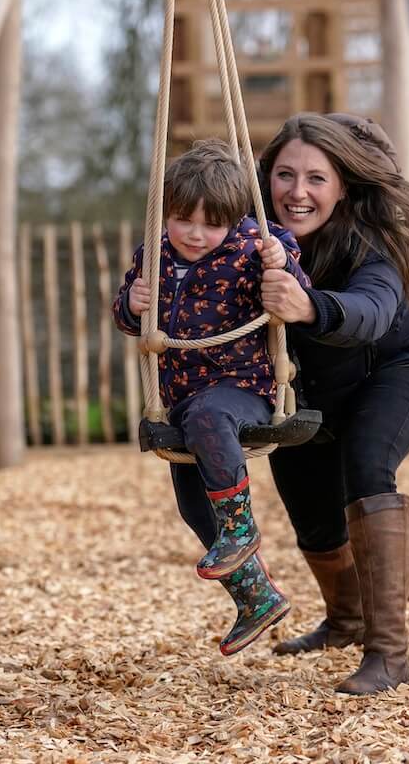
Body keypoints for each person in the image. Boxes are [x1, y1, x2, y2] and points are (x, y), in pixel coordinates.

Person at [171, 114, 409, 694]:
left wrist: (308, 306)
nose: (298, 192)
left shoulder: (375, 241)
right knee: (309, 508)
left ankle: (389, 655)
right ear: (266, 178)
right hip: (304, 382)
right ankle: (344, 620)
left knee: (367, 467)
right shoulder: (245, 234)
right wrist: (145, 297)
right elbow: (183, 265)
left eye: (317, 178)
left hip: (393, 366)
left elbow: (371, 313)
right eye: (286, 175)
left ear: (342, 186)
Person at [112, 138, 311, 656]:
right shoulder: (153, 253)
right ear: (167, 213)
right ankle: (255, 596)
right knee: (192, 506)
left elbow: (296, 283)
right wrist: (132, 306)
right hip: (179, 397)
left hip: (240, 388)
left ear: (234, 221)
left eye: (211, 225)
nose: (196, 235)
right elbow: (127, 316)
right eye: (183, 220)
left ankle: (240, 525)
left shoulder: (255, 247)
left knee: (208, 416)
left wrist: (281, 264)